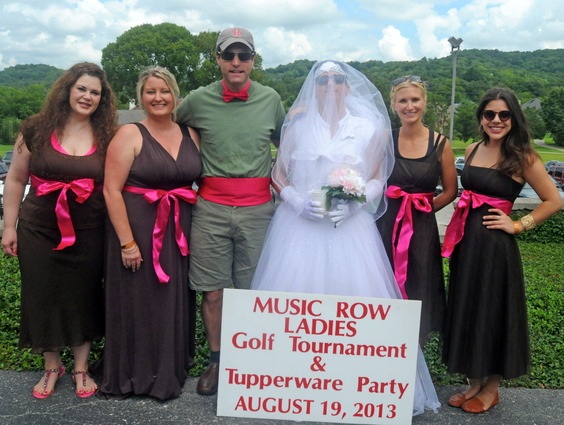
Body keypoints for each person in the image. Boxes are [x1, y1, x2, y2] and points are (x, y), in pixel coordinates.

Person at [251, 60, 441, 416]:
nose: (331, 86)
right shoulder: (297, 126)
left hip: (350, 228)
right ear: (315, 86)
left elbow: (376, 178)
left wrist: (356, 204)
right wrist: (295, 201)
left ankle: (357, 388)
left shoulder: (368, 128)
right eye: (323, 80)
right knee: (297, 309)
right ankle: (291, 385)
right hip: (299, 227)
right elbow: (278, 174)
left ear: (348, 87)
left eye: (338, 79)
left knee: (354, 310)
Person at [175, 27, 285, 396]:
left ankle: (251, 361)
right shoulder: (197, 100)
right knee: (214, 292)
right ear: (218, 59)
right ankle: (218, 361)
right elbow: (167, 129)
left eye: (244, 55)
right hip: (211, 208)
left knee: (255, 290)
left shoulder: (270, 99)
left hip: (258, 209)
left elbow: (289, 147)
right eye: (229, 55)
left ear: (253, 60)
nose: (236, 62)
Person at [441, 87, 562, 413]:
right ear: (481, 117)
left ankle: (491, 388)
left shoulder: (523, 156)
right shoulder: (476, 147)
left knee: (492, 311)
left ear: (514, 118)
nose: (496, 120)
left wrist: (519, 225)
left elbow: (554, 201)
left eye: (504, 114)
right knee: (471, 307)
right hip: (468, 246)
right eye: (490, 114)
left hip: (496, 250)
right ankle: (475, 382)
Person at [1, 63, 117, 399]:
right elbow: (16, 179)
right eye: (82, 88)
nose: (87, 96)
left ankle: (81, 368)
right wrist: (10, 226)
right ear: (67, 89)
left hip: (90, 230)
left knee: (84, 295)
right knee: (42, 295)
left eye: (95, 92)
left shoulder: (108, 136)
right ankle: (52, 366)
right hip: (39, 230)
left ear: (102, 99)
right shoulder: (36, 130)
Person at [98, 66, 201, 400]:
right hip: (138, 231)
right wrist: (128, 243)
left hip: (178, 231)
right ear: (140, 97)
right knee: (140, 302)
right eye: (150, 91)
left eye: (164, 91)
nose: (158, 98)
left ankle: (168, 368)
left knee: (171, 299)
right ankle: (134, 373)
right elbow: (111, 191)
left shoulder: (191, 133)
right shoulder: (129, 134)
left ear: (175, 95)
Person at [377, 75, 457, 341]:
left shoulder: (441, 144)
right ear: (393, 105)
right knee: (385, 283)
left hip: (421, 228)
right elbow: (372, 182)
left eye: (415, 99)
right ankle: (383, 345)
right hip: (388, 225)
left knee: (420, 285)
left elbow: (450, 191)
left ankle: (415, 352)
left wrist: (423, 208)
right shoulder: (384, 141)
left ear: (424, 102)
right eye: (403, 101)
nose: (409, 106)